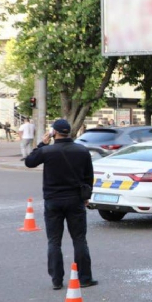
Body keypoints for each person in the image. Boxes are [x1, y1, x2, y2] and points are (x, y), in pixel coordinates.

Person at [24, 119, 98, 290]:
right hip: (75, 200)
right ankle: (85, 278)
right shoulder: (82, 150)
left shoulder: (47, 151)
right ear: (69, 132)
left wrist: (42, 143)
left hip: (53, 201)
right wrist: (87, 196)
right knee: (79, 239)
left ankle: (57, 280)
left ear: (54, 132)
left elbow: (29, 161)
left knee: (54, 241)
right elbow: (89, 176)